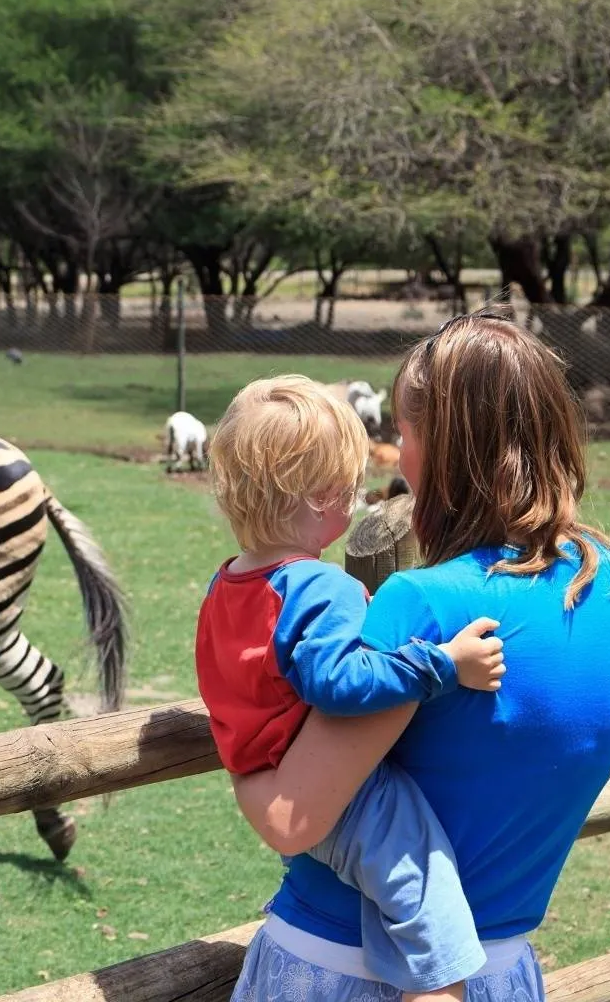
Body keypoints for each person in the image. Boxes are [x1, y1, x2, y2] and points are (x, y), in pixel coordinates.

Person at [228, 315, 610, 1002]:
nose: (400, 456)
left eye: (405, 432)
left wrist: (239, 760)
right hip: (503, 970)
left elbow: (292, 817)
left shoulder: (422, 605)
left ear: (447, 447)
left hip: (342, 969)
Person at [196, 375, 506, 1002]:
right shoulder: (319, 586)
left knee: (385, 887)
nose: (360, 498)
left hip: (270, 773)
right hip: (344, 790)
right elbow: (338, 683)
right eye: (351, 488)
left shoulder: (226, 585)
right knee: (425, 883)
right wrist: (447, 664)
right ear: (321, 499)